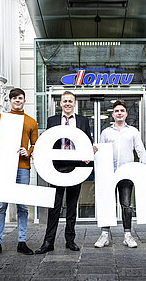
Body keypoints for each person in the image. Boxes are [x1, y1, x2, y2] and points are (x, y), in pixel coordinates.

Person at [35, 91, 93, 254]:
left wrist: (88, 154)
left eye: (70, 101)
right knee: (54, 207)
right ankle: (48, 242)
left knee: (72, 207)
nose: (67, 103)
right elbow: (48, 143)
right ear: (60, 103)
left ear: (75, 103)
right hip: (56, 168)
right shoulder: (52, 121)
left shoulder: (83, 120)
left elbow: (88, 140)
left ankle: (70, 240)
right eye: (65, 101)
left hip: (76, 167)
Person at [0, 88, 38, 258]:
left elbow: (36, 144)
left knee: (22, 206)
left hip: (22, 168)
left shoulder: (31, 121)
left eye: (20, 98)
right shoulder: (2, 118)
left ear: (25, 101)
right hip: (3, 167)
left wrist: (29, 151)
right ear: (10, 101)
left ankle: (22, 242)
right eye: (14, 98)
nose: (17, 100)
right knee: (1, 205)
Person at [94, 100, 146, 248]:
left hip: (126, 173)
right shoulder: (106, 132)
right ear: (113, 114)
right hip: (109, 173)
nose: (119, 113)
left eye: (122, 111)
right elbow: (100, 152)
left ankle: (127, 235)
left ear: (126, 114)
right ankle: (104, 235)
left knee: (126, 205)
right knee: (107, 203)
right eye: (117, 111)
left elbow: (140, 150)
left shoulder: (133, 131)